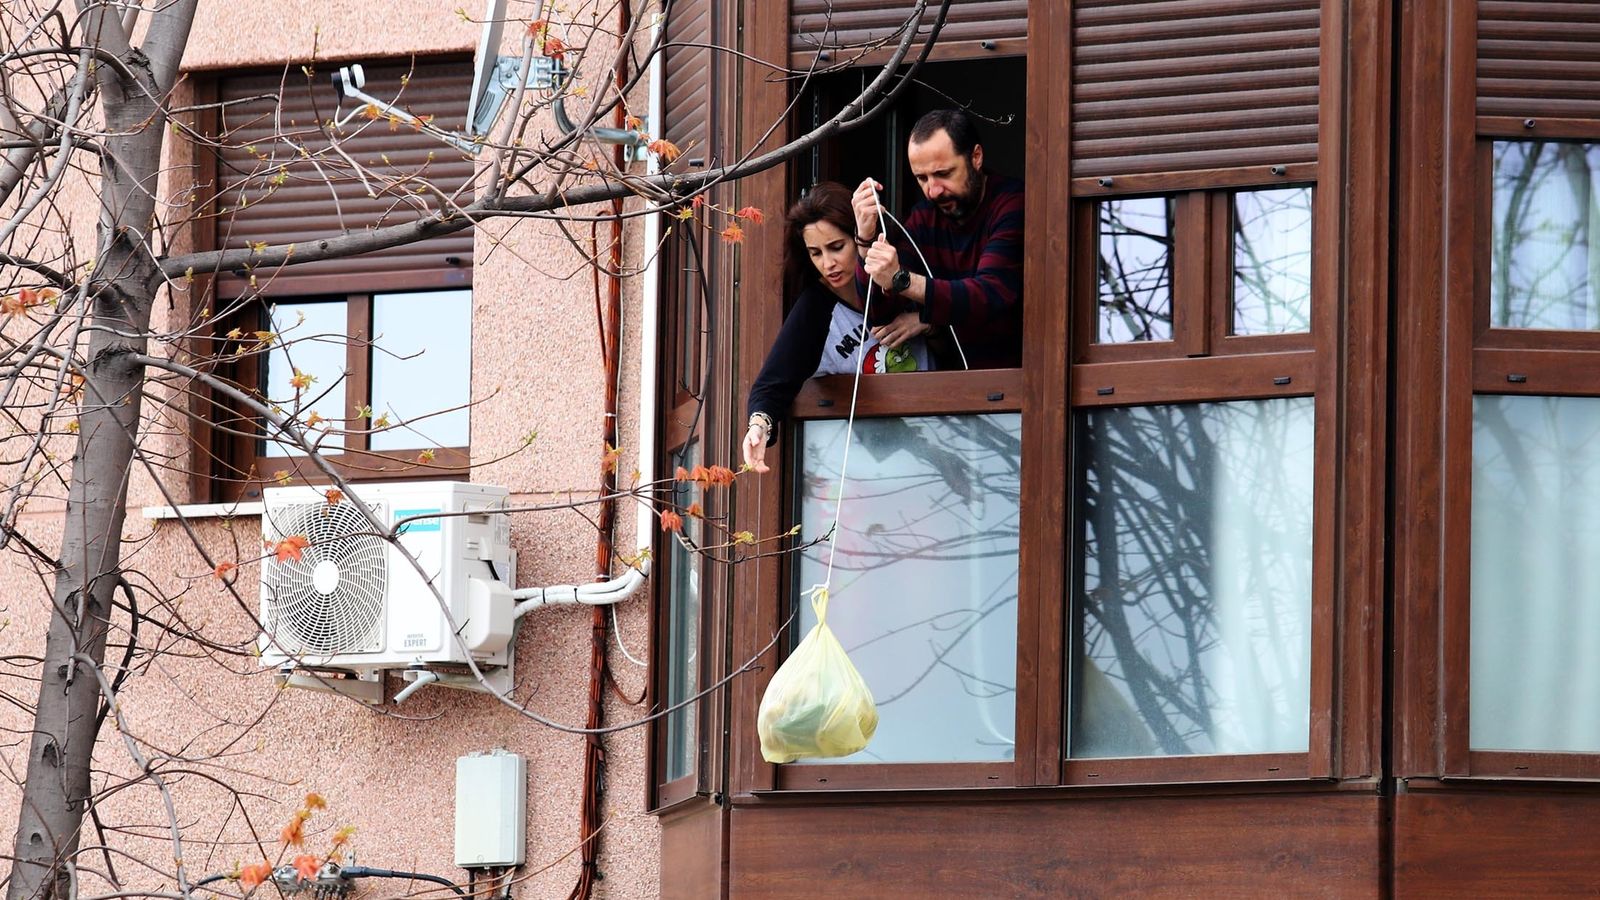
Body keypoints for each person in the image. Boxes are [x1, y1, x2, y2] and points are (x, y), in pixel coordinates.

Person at [742, 182, 933, 473]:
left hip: (941, 428)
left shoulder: (901, 271)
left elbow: (962, 317)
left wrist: (926, 321)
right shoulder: (815, 307)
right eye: (815, 253)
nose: (828, 263)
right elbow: (773, 382)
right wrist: (759, 426)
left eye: (836, 247)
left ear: (859, 238)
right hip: (871, 459)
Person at [853, 108, 1025, 370]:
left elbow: (989, 296)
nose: (932, 191)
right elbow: (879, 314)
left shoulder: (1012, 203)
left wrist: (905, 284)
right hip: (955, 384)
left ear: (976, 157)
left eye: (943, 174)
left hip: (1020, 377)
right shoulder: (925, 217)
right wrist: (865, 239)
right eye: (922, 178)